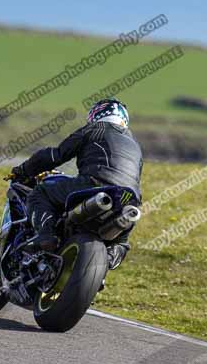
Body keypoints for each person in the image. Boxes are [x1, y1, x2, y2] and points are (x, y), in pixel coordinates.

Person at [10, 99, 142, 269]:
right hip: (129, 199)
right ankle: (105, 264)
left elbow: (54, 156)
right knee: (121, 242)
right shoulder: (135, 146)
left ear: (96, 114)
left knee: (40, 194)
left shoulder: (94, 129)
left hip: (94, 184)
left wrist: (23, 171)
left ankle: (46, 236)